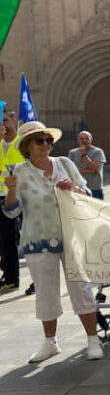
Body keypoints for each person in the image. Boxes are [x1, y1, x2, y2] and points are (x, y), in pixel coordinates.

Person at [3, 120, 103, 362]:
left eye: (48, 140)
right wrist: (12, 191)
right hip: (37, 240)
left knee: (80, 288)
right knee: (46, 293)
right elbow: (11, 212)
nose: (46, 144)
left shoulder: (65, 164)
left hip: (71, 237)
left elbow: (87, 194)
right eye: (40, 141)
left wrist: (73, 190)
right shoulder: (18, 172)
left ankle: (93, 340)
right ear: (27, 145)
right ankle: (50, 343)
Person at [0, 110, 24, 293]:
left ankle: (15, 278)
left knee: (16, 239)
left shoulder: (21, 143)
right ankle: (9, 275)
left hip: (20, 196)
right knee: (6, 241)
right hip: (2, 196)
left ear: (14, 121)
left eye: (5, 120)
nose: (3, 124)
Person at [67, 130, 106, 199]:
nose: (84, 140)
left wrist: (84, 155)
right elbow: (70, 171)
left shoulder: (98, 152)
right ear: (78, 140)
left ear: (91, 140)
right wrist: (89, 171)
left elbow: (95, 169)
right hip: (78, 188)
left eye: (87, 138)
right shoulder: (72, 153)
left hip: (94, 188)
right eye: (81, 138)